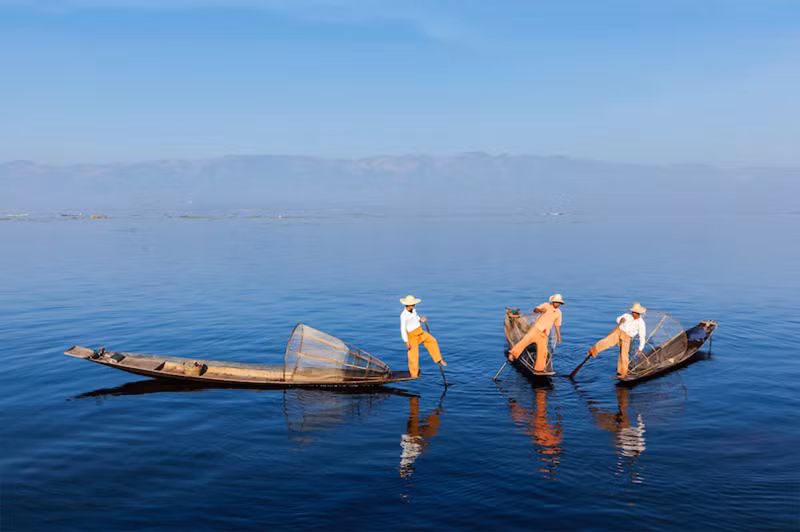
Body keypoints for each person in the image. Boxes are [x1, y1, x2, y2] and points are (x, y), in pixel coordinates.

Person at [587, 303, 647, 378]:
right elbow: (618, 318)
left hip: (627, 337)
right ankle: (593, 351)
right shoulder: (627, 315)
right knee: (607, 341)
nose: (632, 313)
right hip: (619, 332)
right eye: (632, 312)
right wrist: (621, 320)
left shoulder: (641, 323)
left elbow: (642, 336)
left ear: (638, 313)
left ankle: (622, 372)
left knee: (624, 354)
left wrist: (640, 348)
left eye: (634, 312)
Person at [508, 294, 564, 372]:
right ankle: (512, 354)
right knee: (525, 341)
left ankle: (539, 368)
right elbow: (535, 309)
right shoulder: (546, 305)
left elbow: (557, 325)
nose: (557, 304)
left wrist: (559, 337)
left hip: (545, 334)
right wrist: (540, 310)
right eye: (556, 302)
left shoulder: (559, 313)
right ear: (553, 301)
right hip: (536, 329)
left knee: (543, 352)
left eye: (559, 302)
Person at [400, 295, 446, 378]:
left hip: (420, 332)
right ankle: (414, 374)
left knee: (432, 340)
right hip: (412, 336)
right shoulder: (403, 315)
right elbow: (403, 329)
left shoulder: (413, 310)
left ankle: (438, 359)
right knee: (413, 355)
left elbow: (416, 318)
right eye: (413, 304)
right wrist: (406, 341)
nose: (414, 305)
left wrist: (421, 319)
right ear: (408, 305)